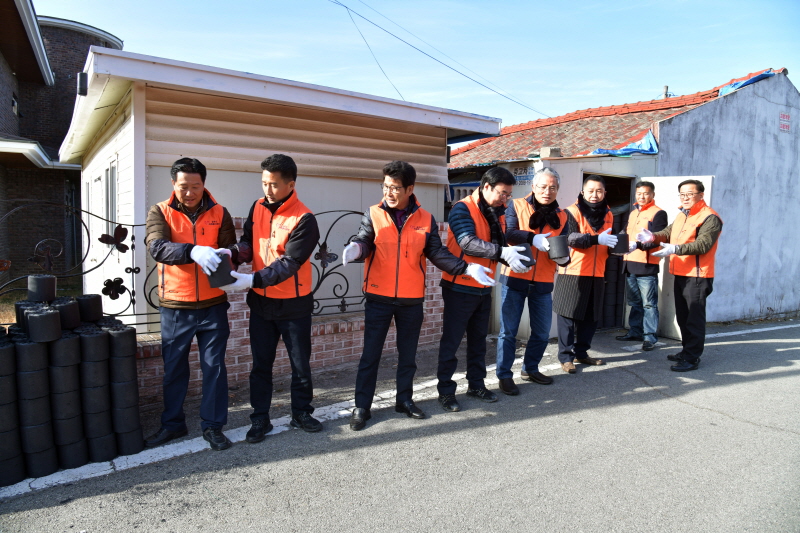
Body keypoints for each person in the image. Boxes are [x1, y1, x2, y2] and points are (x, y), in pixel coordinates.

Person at [342, 161, 495, 431]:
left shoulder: (425, 219)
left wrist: (467, 268)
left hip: (411, 299)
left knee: (408, 355)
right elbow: (365, 239)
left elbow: (437, 253)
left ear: (410, 189)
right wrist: (356, 248)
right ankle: (361, 407)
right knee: (370, 355)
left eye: (395, 188)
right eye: (386, 186)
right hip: (378, 297)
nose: (389, 192)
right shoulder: (373, 213)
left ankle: (405, 400)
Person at [220, 154, 322, 442]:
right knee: (260, 365)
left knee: (300, 365)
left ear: (291, 184)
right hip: (261, 304)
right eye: (264, 183)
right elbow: (249, 242)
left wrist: (252, 279)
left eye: (274, 185)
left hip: (294, 303)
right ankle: (260, 418)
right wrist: (233, 254)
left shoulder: (305, 219)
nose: (267, 190)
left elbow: (290, 263)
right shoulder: (257, 207)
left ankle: (301, 412)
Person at [144, 157, 236, 451]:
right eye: (184, 187)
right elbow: (157, 247)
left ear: (203, 184)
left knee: (214, 368)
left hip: (213, 304)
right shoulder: (160, 211)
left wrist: (230, 254)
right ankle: (172, 424)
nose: (190, 193)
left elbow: (232, 248)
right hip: (175, 305)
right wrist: (193, 250)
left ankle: (212, 426)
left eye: (195, 186)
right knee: (174, 369)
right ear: (173, 184)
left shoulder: (219, 212)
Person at [437, 167, 530, 411]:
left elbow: (497, 244)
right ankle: (446, 391)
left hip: (482, 287)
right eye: (503, 193)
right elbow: (467, 243)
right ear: (486, 187)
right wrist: (502, 252)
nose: (506, 199)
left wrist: (509, 258)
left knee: (478, 340)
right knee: (452, 341)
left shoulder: (496, 211)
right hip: (459, 286)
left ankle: (476, 384)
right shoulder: (462, 208)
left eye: (509, 195)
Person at [495, 167, 569, 395]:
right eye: (543, 186)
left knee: (541, 331)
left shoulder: (563, 215)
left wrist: (565, 259)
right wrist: (532, 237)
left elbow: (562, 247)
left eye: (553, 187)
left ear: (558, 189)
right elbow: (508, 234)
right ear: (533, 187)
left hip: (544, 280)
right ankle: (505, 375)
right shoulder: (515, 205)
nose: (548, 191)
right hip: (515, 276)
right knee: (509, 331)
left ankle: (531, 368)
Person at [636, 179, 722, 371]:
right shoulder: (683, 215)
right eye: (682, 194)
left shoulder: (709, 217)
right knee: (683, 317)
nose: (685, 198)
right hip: (681, 272)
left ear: (701, 195)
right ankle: (686, 350)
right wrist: (653, 237)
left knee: (694, 318)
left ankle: (692, 358)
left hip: (698, 276)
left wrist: (676, 248)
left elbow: (703, 245)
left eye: (690, 194)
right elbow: (668, 232)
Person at [552, 175, 617, 374]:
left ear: (605, 193)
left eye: (599, 191)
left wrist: (620, 248)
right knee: (568, 316)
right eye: (590, 191)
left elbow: (608, 241)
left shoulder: (609, 214)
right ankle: (566, 357)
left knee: (591, 316)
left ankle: (582, 353)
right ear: (582, 192)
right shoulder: (570, 212)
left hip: (597, 272)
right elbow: (571, 238)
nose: (594, 195)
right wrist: (597, 239)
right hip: (572, 270)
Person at [616, 181, 668, 351]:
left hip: (646, 264)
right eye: (639, 193)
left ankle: (650, 337)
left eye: (645, 193)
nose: (642, 196)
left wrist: (637, 245)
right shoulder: (633, 213)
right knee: (634, 302)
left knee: (649, 304)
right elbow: (626, 234)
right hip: (630, 263)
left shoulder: (658, 213)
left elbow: (657, 239)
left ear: (652, 195)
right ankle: (635, 331)